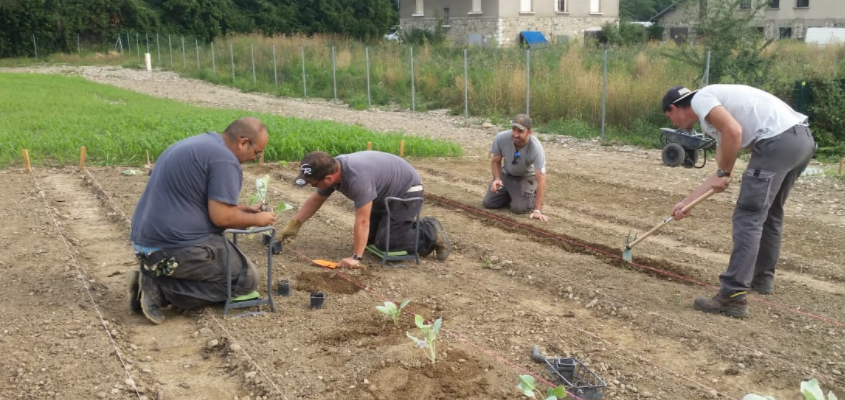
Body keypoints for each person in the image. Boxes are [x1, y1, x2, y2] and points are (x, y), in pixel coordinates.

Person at [661, 85, 816, 318]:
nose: (673, 123)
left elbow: (734, 132)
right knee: (771, 213)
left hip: (777, 142)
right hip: (801, 141)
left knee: (748, 216)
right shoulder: (713, 118)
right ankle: (762, 279)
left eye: (669, 117)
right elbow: (720, 174)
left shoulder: (702, 99)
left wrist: (725, 171)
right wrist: (687, 202)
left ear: (674, 108)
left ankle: (733, 295)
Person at [128, 117, 276, 325]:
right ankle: (160, 290)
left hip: (147, 242)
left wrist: (245, 210)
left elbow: (202, 202)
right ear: (243, 142)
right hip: (171, 247)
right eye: (257, 152)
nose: (255, 157)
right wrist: (259, 220)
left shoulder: (203, 144)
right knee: (245, 279)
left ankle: (157, 277)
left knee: (230, 263)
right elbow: (222, 217)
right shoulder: (225, 159)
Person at [280, 150, 451, 268]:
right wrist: (295, 224)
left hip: (406, 191)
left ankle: (430, 231)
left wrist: (355, 258)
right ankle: (401, 228)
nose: (312, 186)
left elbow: (362, 220)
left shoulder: (358, 178)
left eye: (313, 183)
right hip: (382, 193)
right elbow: (316, 199)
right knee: (369, 240)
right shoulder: (332, 169)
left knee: (387, 243)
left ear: (328, 178)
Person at [482, 114, 549, 222]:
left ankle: (530, 194)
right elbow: (496, 161)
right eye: (514, 129)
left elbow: (541, 178)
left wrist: (537, 210)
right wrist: (497, 179)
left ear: (529, 132)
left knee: (518, 209)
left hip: (525, 177)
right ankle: (512, 194)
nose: (515, 134)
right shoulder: (501, 138)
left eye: (520, 131)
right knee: (488, 203)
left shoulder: (536, 148)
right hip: (506, 174)